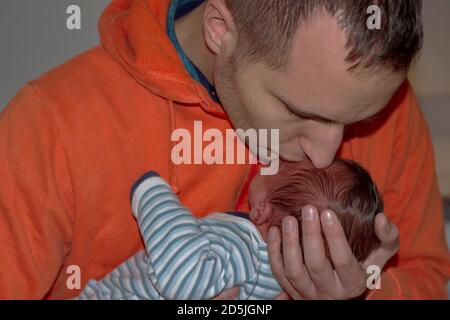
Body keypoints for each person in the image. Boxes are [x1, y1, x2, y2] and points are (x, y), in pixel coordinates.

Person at [0, 0, 449, 299]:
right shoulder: (53, 125)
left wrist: (369, 291)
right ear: (219, 30)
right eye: (298, 110)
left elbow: (429, 278)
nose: (328, 150)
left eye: (357, 119)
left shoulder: (369, 96)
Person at [77, 159, 383, 300]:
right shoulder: (276, 283)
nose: (275, 161)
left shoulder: (240, 246)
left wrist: (152, 194)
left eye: (283, 167)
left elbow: (185, 279)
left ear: (261, 209)